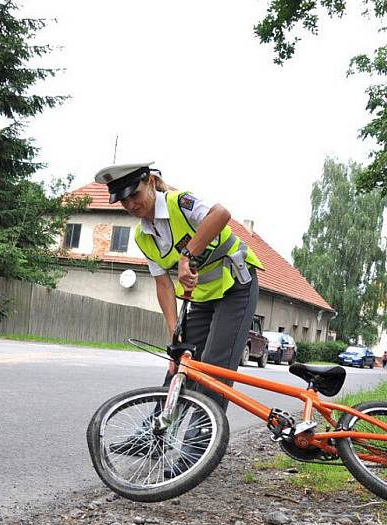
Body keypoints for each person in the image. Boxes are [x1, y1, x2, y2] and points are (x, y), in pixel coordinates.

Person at [95, 161, 264, 476]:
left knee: (213, 369)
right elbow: (163, 284)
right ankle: (154, 433)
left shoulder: (180, 203)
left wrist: (188, 255)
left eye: (135, 195)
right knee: (179, 363)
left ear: (149, 182)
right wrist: (175, 335)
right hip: (201, 296)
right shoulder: (143, 236)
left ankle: (196, 451)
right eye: (124, 201)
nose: (131, 205)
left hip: (236, 286)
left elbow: (221, 215)